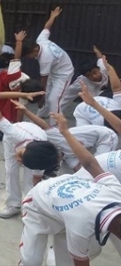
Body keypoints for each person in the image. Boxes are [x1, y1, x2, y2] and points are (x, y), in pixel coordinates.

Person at [19, 113, 121, 266]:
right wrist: (64, 132)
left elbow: (90, 164)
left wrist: (65, 131)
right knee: (31, 261)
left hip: (67, 201)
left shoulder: (115, 191)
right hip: (38, 204)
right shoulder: (82, 226)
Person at [0, 84, 59, 219]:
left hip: (32, 144)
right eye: (20, 157)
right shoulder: (14, 134)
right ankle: (13, 204)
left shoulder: (40, 158)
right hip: (13, 141)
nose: (18, 160)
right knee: (11, 171)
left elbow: (36, 179)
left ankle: (30, 206)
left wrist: (36, 198)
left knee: (30, 179)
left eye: (22, 161)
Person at [22, 7, 74, 121]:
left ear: (35, 49)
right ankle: (40, 117)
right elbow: (46, 28)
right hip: (54, 70)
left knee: (54, 99)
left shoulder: (45, 58)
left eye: (29, 55)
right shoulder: (40, 40)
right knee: (48, 94)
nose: (29, 58)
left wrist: (40, 97)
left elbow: (43, 81)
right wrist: (52, 17)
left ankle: (55, 125)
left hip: (64, 73)